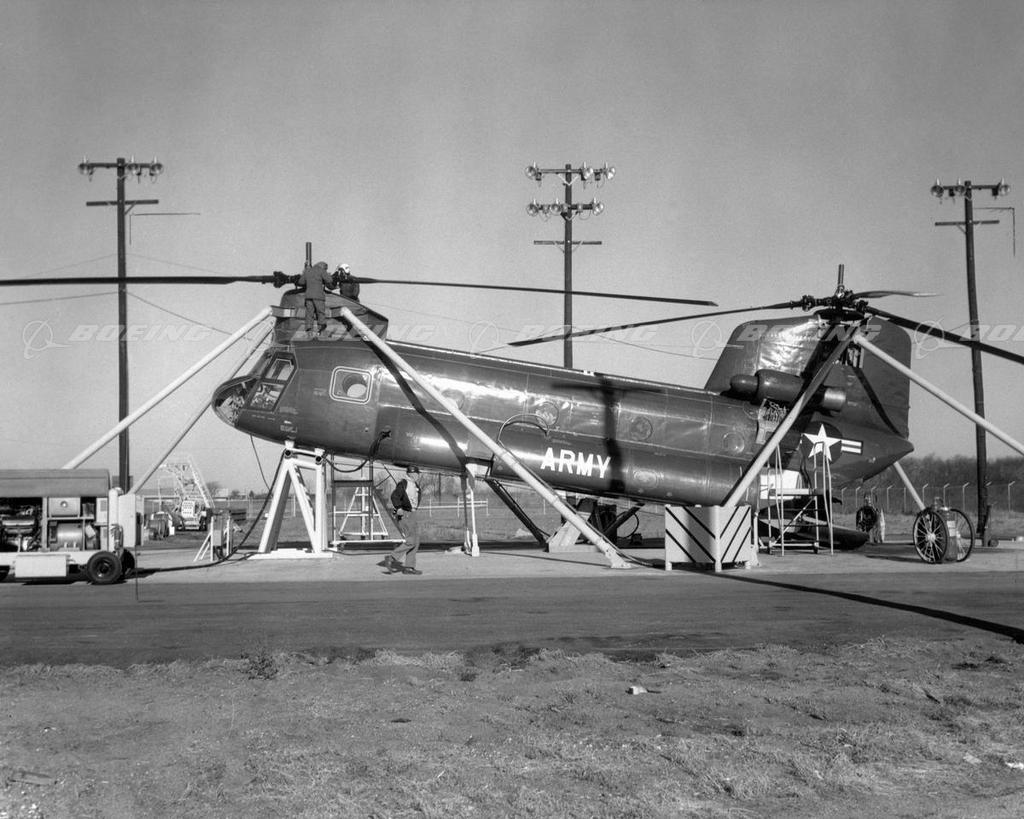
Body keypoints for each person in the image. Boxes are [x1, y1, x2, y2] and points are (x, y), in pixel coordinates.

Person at [385, 465, 422, 575]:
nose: (418, 475)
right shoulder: (404, 483)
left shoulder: (414, 484)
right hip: (405, 514)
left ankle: (409, 567)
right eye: (416, 473)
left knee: (416, 541)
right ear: (411, 474)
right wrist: (398, 508)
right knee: (411, 541)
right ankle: (391, 557)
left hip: (412, 513)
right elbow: (394, 496)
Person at [295, 261, 336, 337]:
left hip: (308, 297)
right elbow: (330, 280)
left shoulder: (308, 271)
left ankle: (309, 332)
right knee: (320, 313)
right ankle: (321, 331)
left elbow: (300, 282)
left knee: (309, 314)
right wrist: (326, 275)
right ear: (323, 267)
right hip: (318, 296)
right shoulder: (321, 270)